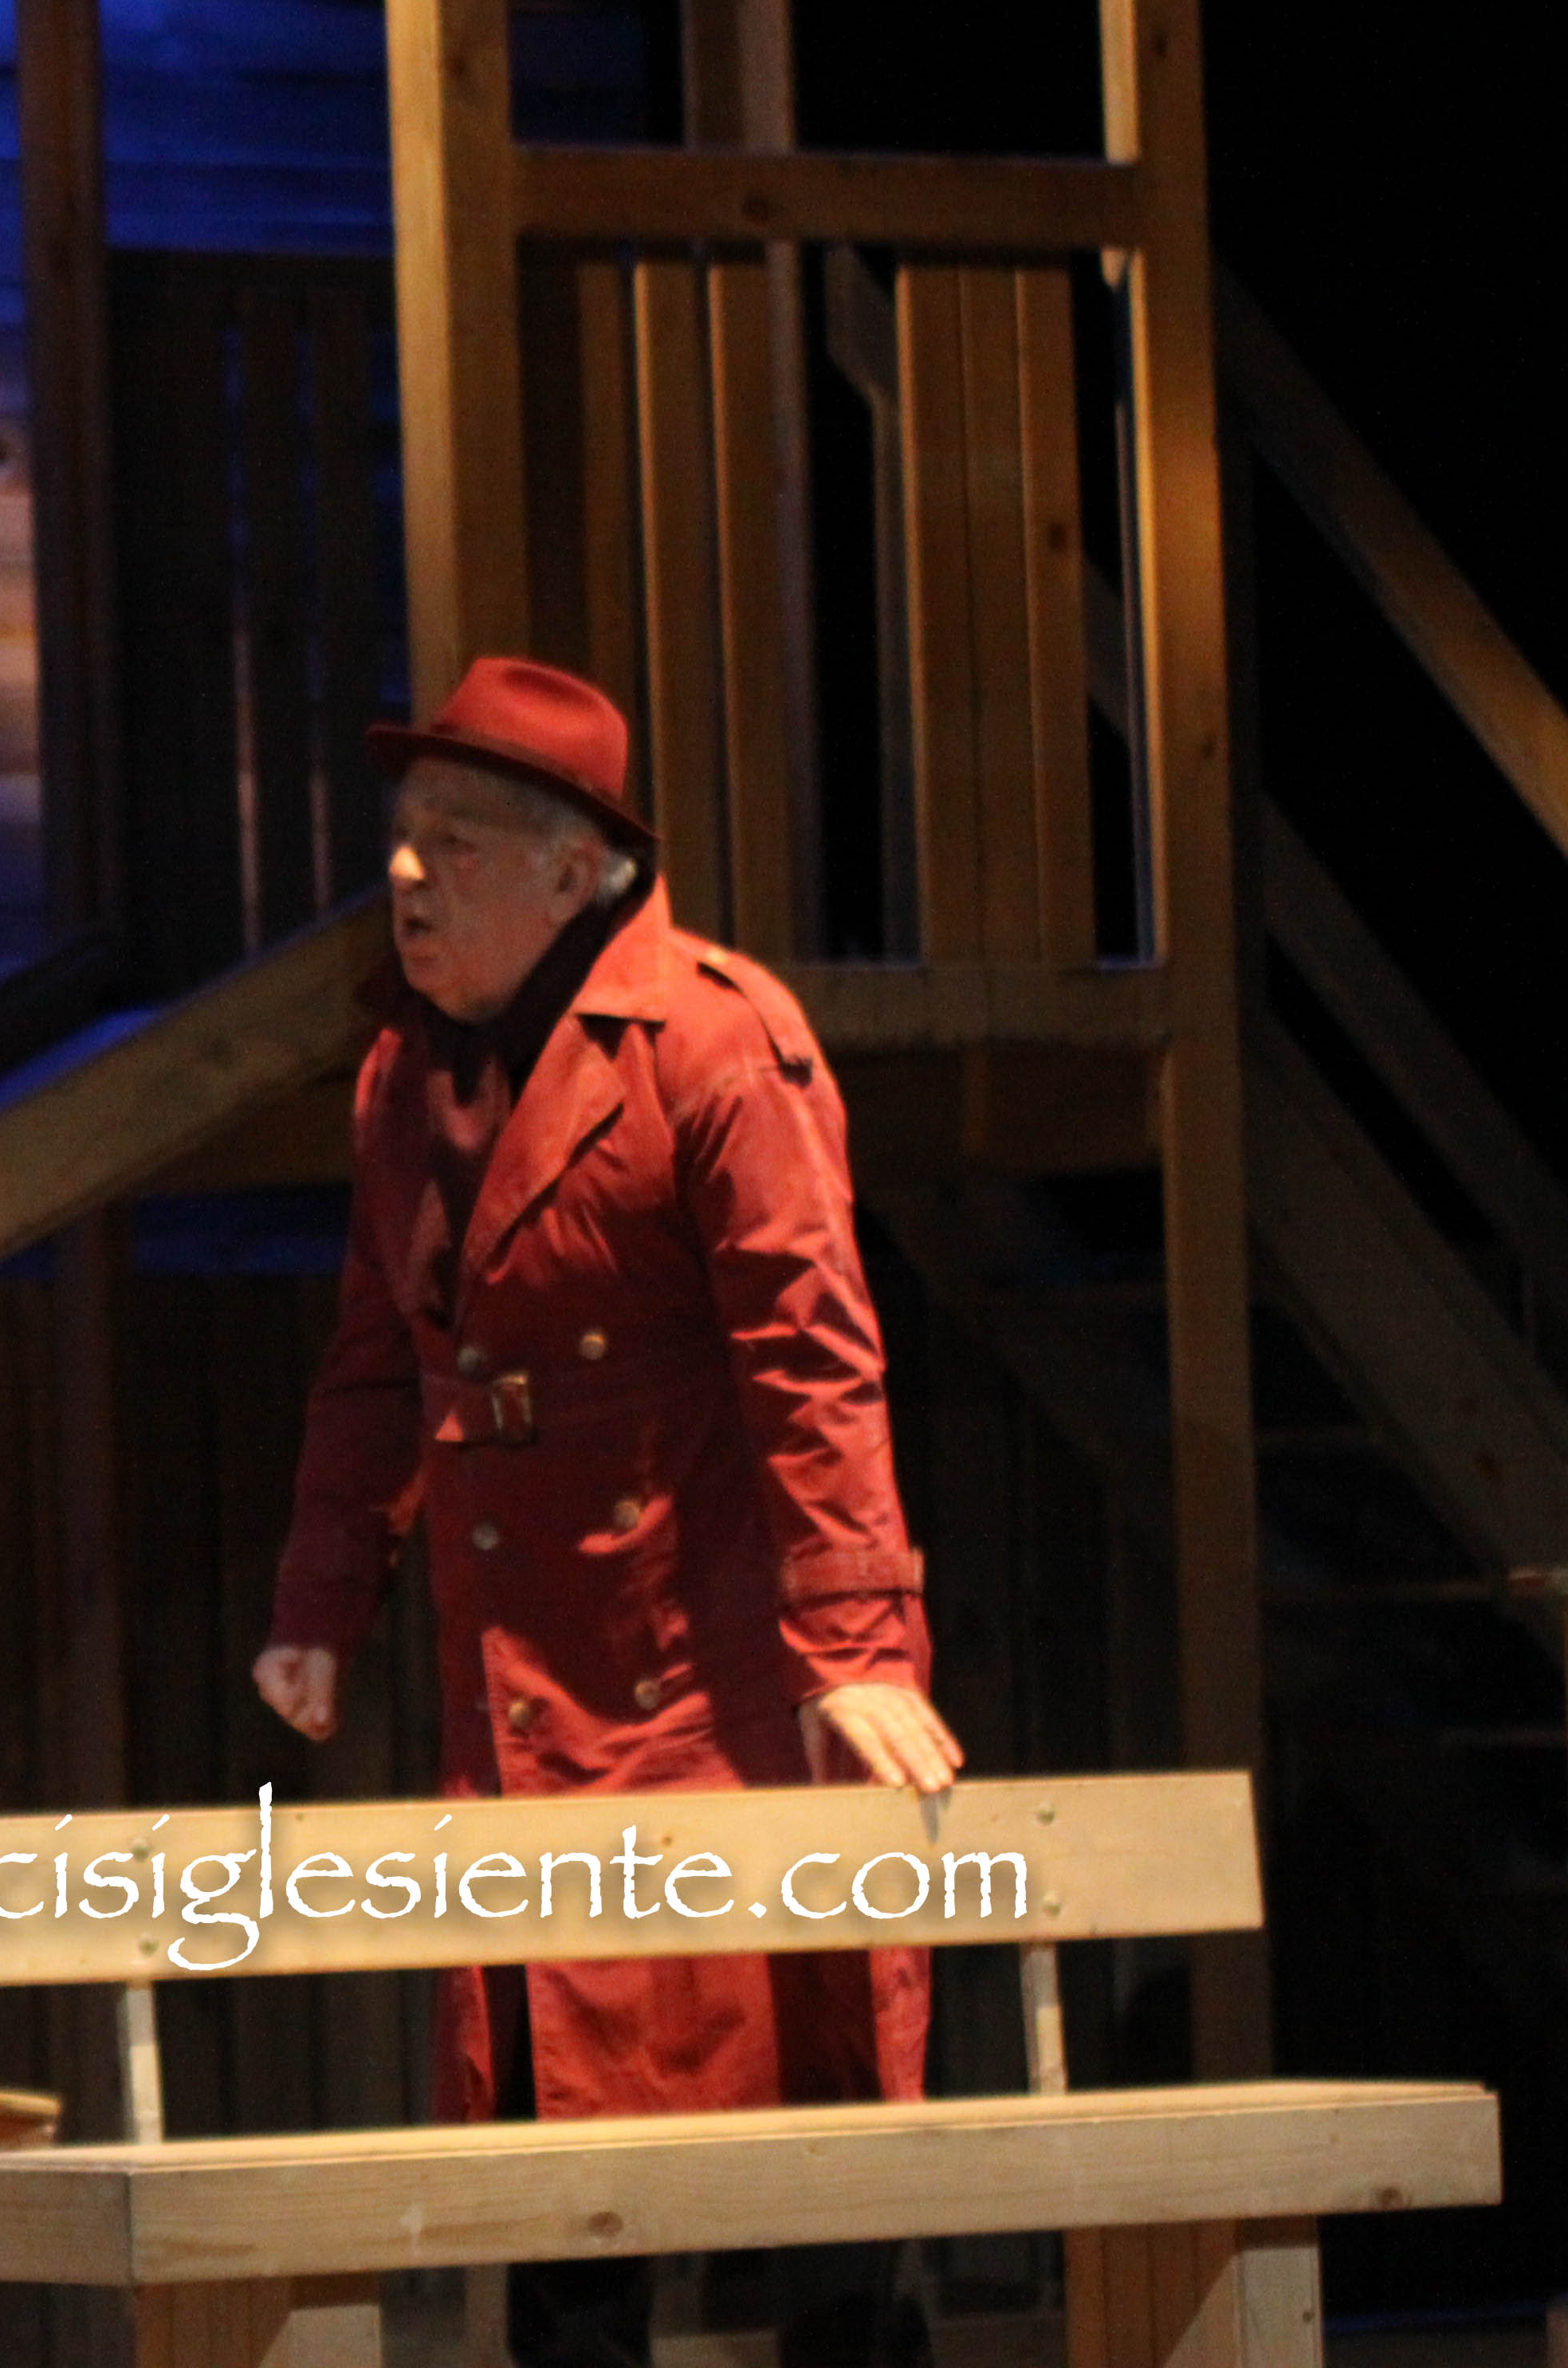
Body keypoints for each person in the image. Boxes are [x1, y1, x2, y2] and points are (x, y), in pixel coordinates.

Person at [250, 656, 961, 2368]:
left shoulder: (714, 1039)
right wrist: (321, 1597)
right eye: (403, 835)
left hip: (722, 1672)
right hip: (525, 1690)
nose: (406, 873)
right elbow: (377, 1360)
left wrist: (856, 1643)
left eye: (456, 841)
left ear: (575, 870)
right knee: (557, 2168)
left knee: (810, 2155)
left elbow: (813, 1357)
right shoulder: (403, 1075)